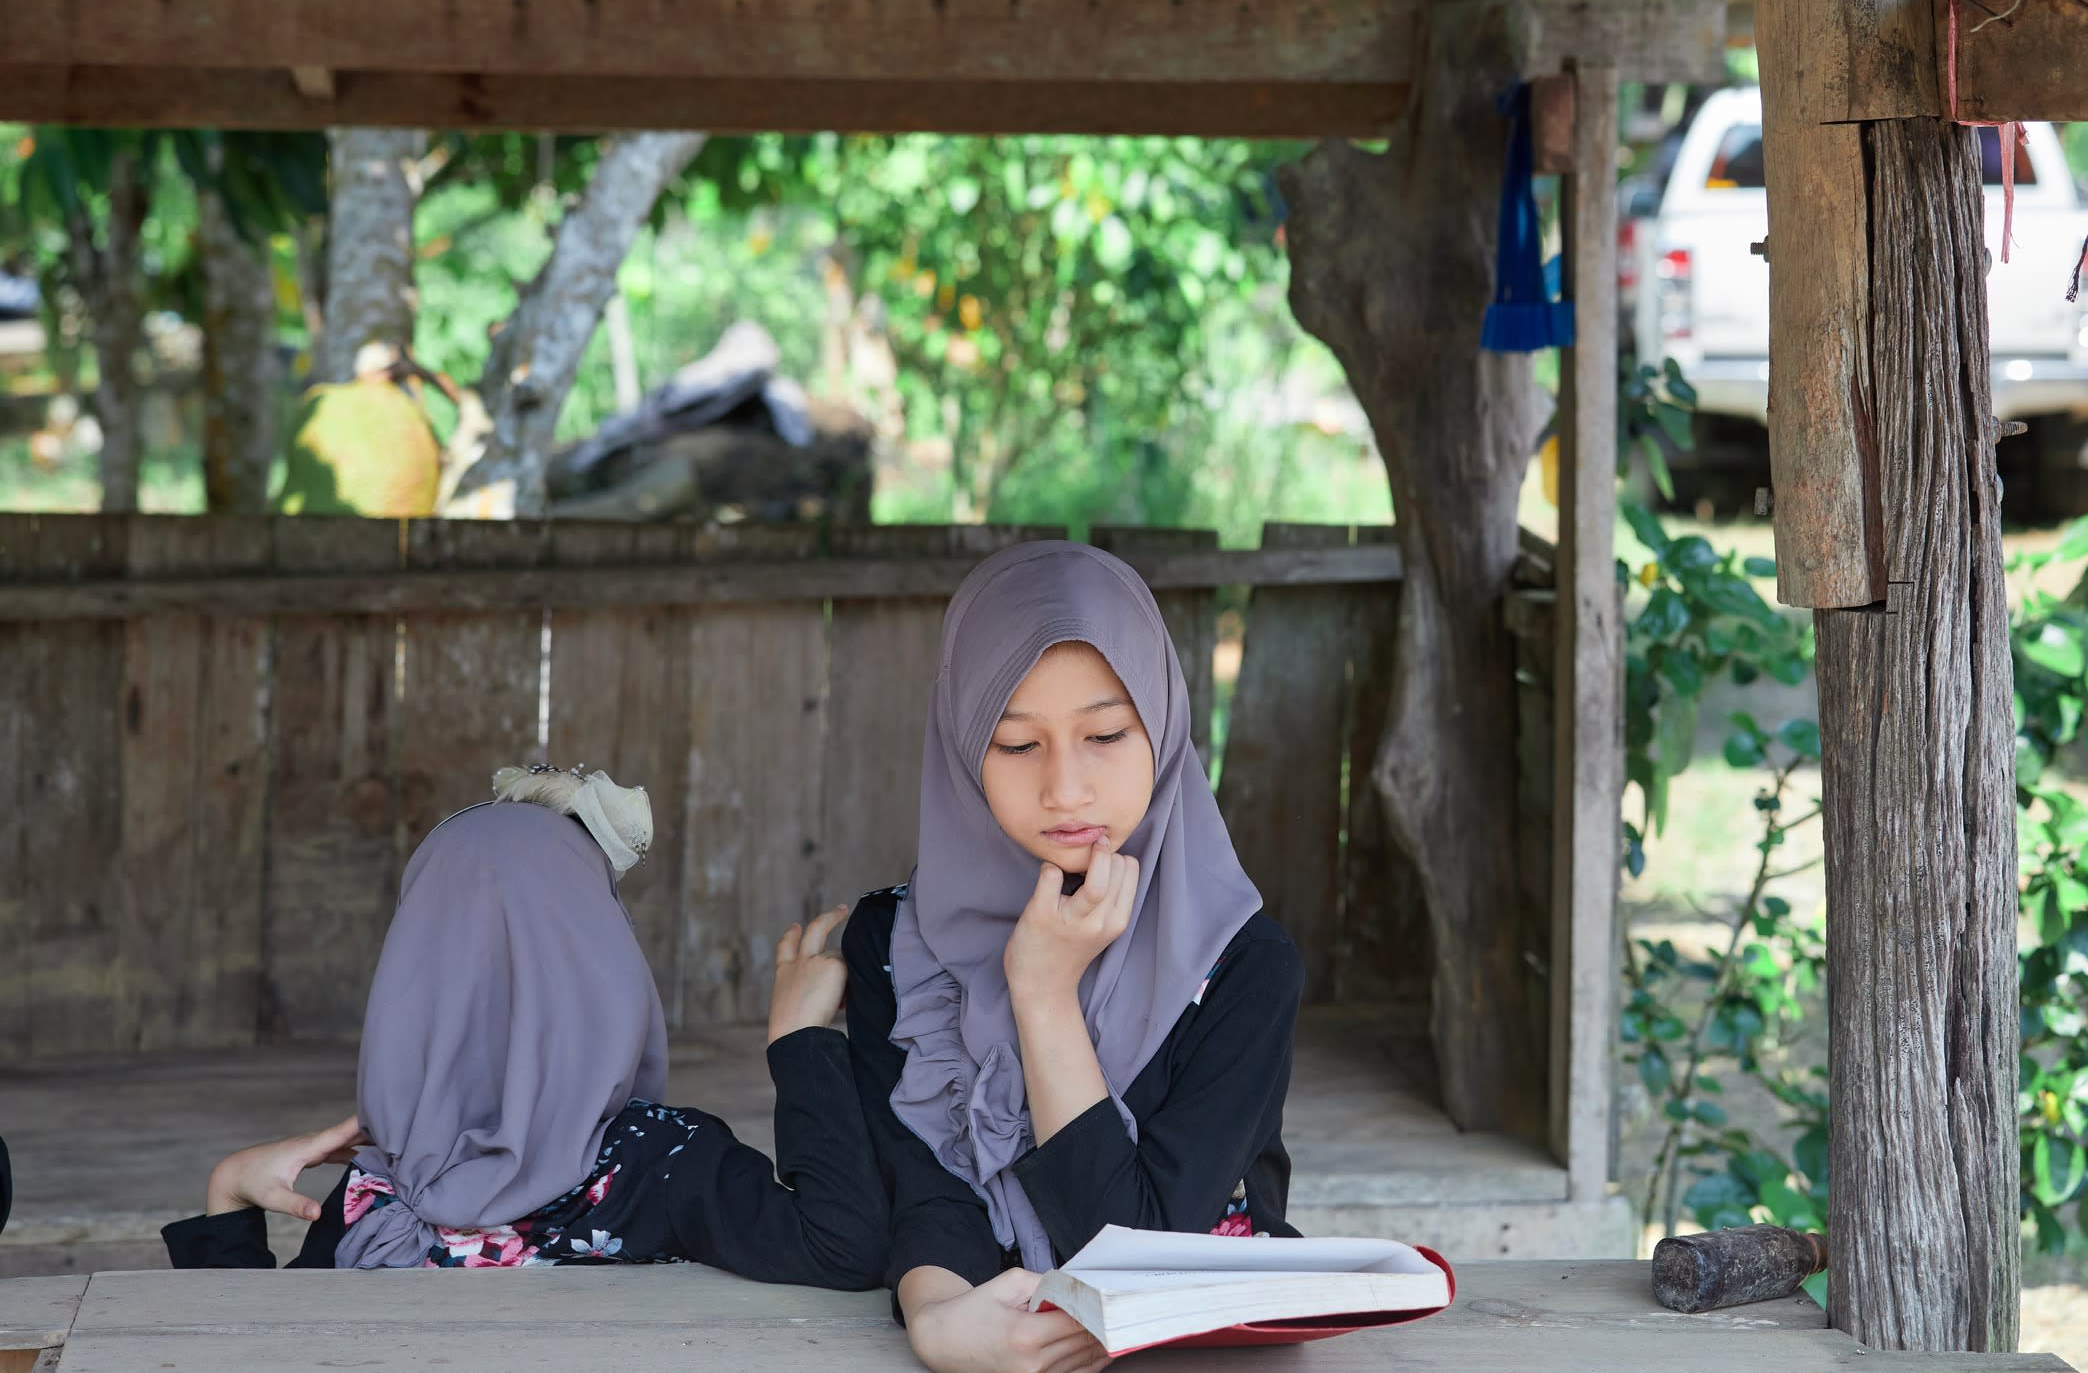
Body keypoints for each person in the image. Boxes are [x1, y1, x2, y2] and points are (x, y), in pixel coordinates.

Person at [843, 541, 1306, 1373]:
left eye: (1104, 734)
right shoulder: (895, 947)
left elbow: (1133, 1254)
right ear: (959, 748)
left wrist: (1042, 993)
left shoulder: (1241, 964)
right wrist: (939, 1319)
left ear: (1160, 728)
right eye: (1017, 745)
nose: (1065, 788)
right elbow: (923, 1187)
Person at [165, 765, 886, 1287]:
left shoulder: (379, 1201)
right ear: (602, 972)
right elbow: (844, 1248)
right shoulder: (663, 1166)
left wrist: (228, 1193)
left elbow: (246, 1345)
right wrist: (800, 1041)